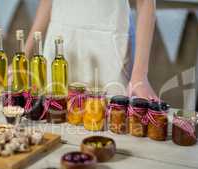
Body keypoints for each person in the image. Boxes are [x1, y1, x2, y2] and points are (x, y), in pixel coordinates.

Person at [23, 0, 158, 99]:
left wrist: (140, 76)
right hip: (59, 47)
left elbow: (145, 2)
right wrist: (24, 55)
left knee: (108, 125)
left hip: (109, 48)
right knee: (55, 119)